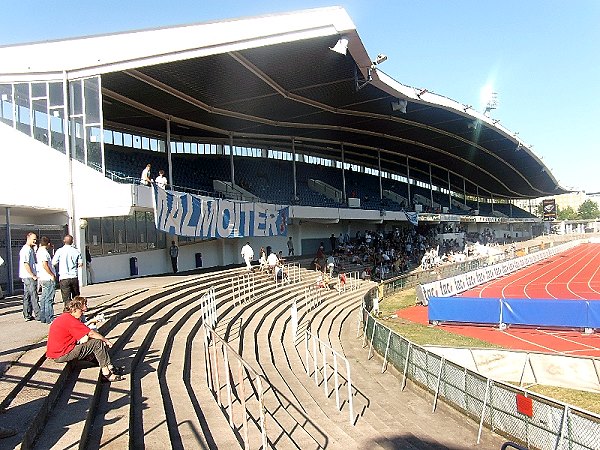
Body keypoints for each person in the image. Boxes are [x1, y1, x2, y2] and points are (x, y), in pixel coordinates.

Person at [46, 296, 124, 382]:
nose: (82, 313)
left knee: (93, 345)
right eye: (82, 311)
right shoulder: (70, 320)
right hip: (62, 353)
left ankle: (109, 367)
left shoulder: (65, 317)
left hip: (58, 352)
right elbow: (90, 333)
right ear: (74, 310)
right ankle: (107, 374)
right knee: (97, 343)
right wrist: (106, 340)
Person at [52, 235, 82, 306]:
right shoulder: (76, 251)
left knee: (66, 298)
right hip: (73, 276)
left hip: (64, 277)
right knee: (76, 297)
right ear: (72, 241)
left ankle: (69, 311)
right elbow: (80, 264)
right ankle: (77, 310)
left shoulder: (59, 251)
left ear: (64, 241)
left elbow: (53, 262)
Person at [19, 232, 40, 321]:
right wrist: (32, 275)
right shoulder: (26, 250)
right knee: (34, 295)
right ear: (28, 238)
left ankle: (27, 314)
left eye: (35, 239)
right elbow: (26, 263)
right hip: (28, 276)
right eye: (33, 239)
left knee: (27, 295)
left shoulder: (30, 249)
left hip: (26, 275)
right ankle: (39, 314)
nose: (35, 241)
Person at [37, 236, 56, 324]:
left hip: (42, 277)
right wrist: (51, 274)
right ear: (48, 244)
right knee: (49, 298)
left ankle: (43, 316)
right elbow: (45, 265)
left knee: (44, 298)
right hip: (48, 278)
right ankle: (50, 317)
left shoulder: (39, 251)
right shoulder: (44, 253)